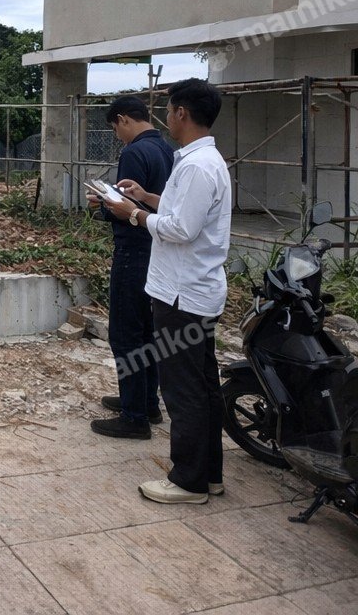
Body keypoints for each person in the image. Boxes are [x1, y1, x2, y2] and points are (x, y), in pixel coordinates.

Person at [106, 79, 232, 504]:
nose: (167, 119)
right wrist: (147, 197)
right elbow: (181, 211)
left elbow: (181, 228)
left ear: (181, 113)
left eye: (171, 111)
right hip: (194, 291)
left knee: (184, 392)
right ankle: (209, 473)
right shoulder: (201, 161)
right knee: (203, 386)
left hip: (182, 295)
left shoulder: (197, 165)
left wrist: (134, 214)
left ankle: (189, 481)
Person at [87, 96, 174, 439]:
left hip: (134, 250)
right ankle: (145, 402)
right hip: (158, 249)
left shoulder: (134, 153)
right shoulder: (167, 150)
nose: (117, 136)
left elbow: (129, 209)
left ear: (123, 120)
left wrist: (101, 204)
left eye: (115, 129)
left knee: (125, 333)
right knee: (147, 330)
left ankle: (133, 415)